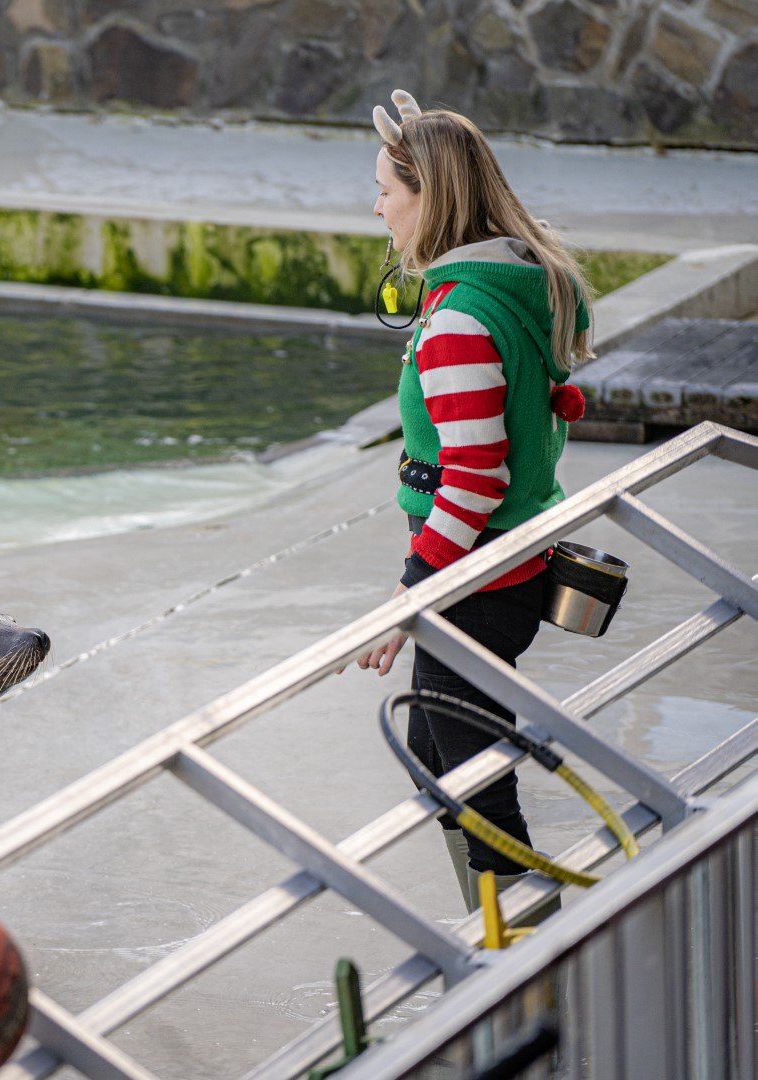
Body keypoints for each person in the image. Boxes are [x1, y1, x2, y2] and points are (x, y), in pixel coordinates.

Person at [344, 90, 592, 914]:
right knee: (436, 750)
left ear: (431, 197)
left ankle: (524, 935)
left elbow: (475, 478)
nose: (376, 207)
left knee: (473, 780)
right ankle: (498, 917)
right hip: (506, 566)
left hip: (475, 583)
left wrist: (410, 592)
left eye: (386, 190)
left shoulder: (457, 320)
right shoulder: (514, 283)